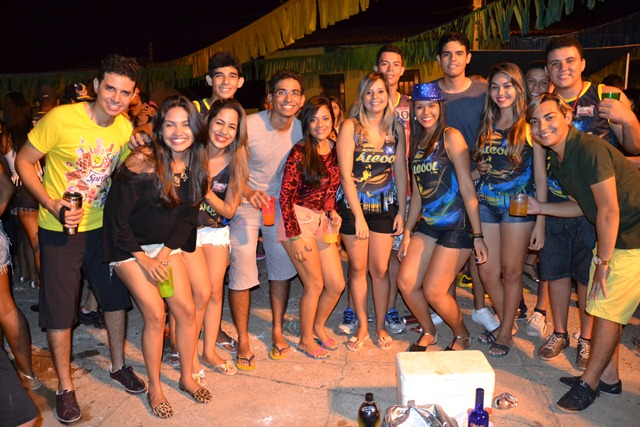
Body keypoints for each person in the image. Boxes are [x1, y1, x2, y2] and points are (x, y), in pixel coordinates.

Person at [15, 54, 146, 424]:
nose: (116, 98)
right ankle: (65, 387)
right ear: (96, 85)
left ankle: (118, 366)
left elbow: (125, 171)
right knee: (60, 310)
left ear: (133, 95)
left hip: (103, 228)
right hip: (60, 229)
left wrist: (141, 148)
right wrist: (50, 203)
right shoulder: (61, 118)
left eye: (125, 92)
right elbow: (23, 161)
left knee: (115, 299)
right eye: (110, 88)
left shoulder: (124, 127)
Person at [526, 92, 640, 412]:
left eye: (550, 117)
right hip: (618, 234)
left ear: (567, 117)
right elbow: (580, 206)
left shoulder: (589, 149)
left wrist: (603, 261)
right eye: (535, 121)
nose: (542, 126)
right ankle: (609, 379)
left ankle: (588, 384)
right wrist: (541, 207)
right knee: (601, 307)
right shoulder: (560, 159)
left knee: (606, 310)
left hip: (632, 235)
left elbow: (608, 212)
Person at [104, 95, 211, 418]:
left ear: (195, 129)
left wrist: (163, 255)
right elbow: (116, 219)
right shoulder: (143, 160)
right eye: (170, 125)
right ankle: (155, 387)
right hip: (128, 248)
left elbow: (187, 220)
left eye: (185, 125)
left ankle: (186, 377)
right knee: (154, 313)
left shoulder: (196, 164)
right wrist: (144, 259)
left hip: (163, 247)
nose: (178, 132)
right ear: (159, 129)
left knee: (187, 310)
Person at [536, 36, 640, 367]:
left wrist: (628, 118)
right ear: (548, 70)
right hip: (561, 199)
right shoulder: (543, 105)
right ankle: (560, 332)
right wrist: (540, 210)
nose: (563, 68)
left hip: (598, 206)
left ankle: (587, 338)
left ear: (582, 63)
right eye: (555, 63)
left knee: (588, 276)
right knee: (555, 270)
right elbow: (537, 159)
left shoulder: (606, 96)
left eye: (570, 61)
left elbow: (633, 147)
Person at [396, 82, 488, 352]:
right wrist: (407, 233)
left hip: (457, 224)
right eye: (420, 107)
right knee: (406, 282)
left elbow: (467, 186)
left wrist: (478, 235)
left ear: (440, 107)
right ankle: (429, 331)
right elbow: (417, 194)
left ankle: (461, 334)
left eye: (431, 106)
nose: (426, 112)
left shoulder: (451, 136)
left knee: (434, 290)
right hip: (428, 224)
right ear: (413, 111)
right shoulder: (416, 144)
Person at [227, 70, 304, 370]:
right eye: (281, 92)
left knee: (281, 268)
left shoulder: (302, 129)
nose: (288, 98)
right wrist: (248, 192)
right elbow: (231, 167)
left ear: (302, 100)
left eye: (294, 92)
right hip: (245, 200)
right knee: (242, 265)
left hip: (280, 204)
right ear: (270, 97)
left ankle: (277, 330)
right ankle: (243, 338)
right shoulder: (249, 125)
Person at [471, 63, 546, 358]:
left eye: (507, 86)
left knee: (512, 272)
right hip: (487, 204)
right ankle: (508, 322)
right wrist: (480, 166)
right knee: (487, 271)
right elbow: (482, 165)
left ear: (518, 88)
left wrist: (540, 221)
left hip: (518, 207)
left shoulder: (529, 126)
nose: (500, 92)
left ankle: (504, 333)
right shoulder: (487, 124)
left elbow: (540, 176)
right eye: (495, 87)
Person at [342, 44, 412, 337]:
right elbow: (345, 174)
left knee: (380, 270)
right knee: (358, 269)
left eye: (380, 92)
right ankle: (361, 326)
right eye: (369, 92)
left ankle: (380, 327)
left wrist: (403, 213)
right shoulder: (350, 127)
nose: (375, 97)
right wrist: (358, 217)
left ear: (388, 95)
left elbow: (401, 172)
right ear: (362, 96)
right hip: (354, 207)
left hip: (385, 206)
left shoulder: (395, 129)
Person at [435, 31, 498, 333]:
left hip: (478, 178)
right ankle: (443, 301)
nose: (453, 59)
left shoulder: (483, 92)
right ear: (439, 59)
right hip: (440, 184)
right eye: (447, 54)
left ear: (468, 57)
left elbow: (501, 125)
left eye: (459, 53)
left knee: (477, 245)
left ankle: (479, 306)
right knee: (444, 243)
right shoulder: (430, 92)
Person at [182, 98, 248, 381]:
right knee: (198, 294)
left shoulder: (236, 162)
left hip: (215, 230)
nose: (224, 131)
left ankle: (208, 350)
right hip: (184, 231)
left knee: (215, 293)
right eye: (219, 122)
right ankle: (189, 355)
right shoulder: (189, 151)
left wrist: (206, 191)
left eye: (232, 127)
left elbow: (229, 210)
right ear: (207, 123)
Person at [278, 96, 345, 359]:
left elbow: (330, 187)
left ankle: (317, 326)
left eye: (326, 118)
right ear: (306, 122)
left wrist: (332, 211)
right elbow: (285, 196)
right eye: (314, 119)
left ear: (333, 120)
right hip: (297, 220)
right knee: (315, 284)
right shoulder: (300, 151)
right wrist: (294, 237)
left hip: (322, 221)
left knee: (336, 284)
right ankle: (305, 340)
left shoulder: (334, 148)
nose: (320, 124)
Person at [522, 60, 552, 338]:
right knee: (516, 253)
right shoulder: (513, 111)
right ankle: (517, 304)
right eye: (531, 81)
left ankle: (541, 310)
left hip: (546, 192)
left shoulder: (550, 117)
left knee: (547, 251)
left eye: (543, 82)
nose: (536, 87)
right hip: (519, 194)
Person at [0, 92, 41, 290]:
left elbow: (7, 168)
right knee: (36, 240)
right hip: (33, 187)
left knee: (25, 236)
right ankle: (39, 279)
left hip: (18, 189)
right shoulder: (33, 133)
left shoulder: (5, 137)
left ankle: (27, 275)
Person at [194, 51, 245, 118]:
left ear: (240, 82)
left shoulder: (239, 114)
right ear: (209, 80)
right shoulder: (195, 110)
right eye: (219, 76)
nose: (226, 81)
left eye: (232, 76)